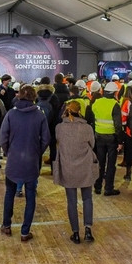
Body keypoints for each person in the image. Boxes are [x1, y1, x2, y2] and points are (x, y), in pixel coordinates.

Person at [0, 85, 50, 241]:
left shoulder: (11, 114)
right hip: (31, 162)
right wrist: (37, 152)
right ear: (34, 97)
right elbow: (46, 139)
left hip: (14, 161)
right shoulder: (40, 115)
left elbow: (3, 138)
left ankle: (6, 225)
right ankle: (25, 231)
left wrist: (9, 152)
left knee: (9, 193)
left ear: (19, 96)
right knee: (30, 197)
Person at [53, 101, 96, 244]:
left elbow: (58, 142)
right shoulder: (87, 128)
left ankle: (75, 233)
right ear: (80, 111)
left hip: (68, 166)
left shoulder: (59, 128)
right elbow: (92, 144)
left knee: (71, 200)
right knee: (87, 198)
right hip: (85, 165)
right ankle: (88, 230)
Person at [91, 81, 123, 196]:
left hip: (99, 136)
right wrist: (120, 141)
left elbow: (93, 117)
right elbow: (118, 125)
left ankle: (97, 186)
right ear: (115, 93)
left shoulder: (96, 102)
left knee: (100, 162)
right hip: (111, 138)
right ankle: (108, 188)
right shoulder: (115, 105)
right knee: (110, 164)